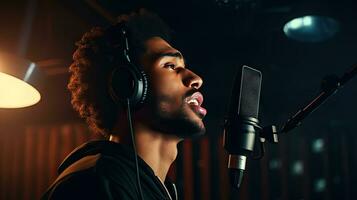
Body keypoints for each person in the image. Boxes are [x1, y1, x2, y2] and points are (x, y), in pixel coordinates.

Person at [42, 9, 207, 200]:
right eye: (171, 66)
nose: (196, 79)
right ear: (128, 85)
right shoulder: (92, 184)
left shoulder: (143, 188)